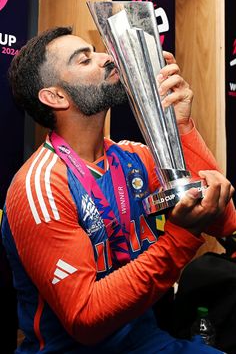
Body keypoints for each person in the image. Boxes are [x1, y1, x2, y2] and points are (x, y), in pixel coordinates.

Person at [1, 26, 235, 354]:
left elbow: (224, 221)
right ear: (56, 96)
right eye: (85, 60)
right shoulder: (39, 186)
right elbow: (85, 319)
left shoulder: (133, 157)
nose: (108, 58)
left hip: (146, 340)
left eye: (97, 50)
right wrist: (179, 239)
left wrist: (181, 126)